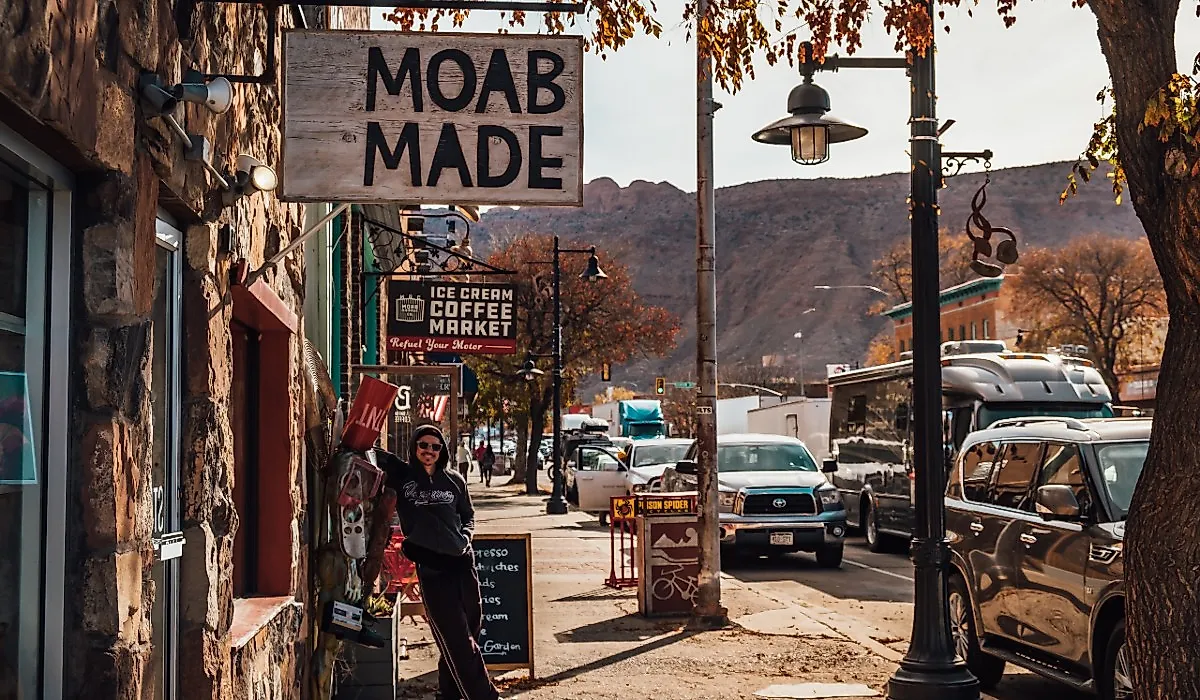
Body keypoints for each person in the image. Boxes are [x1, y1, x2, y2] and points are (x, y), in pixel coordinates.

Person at [379, 425, 500, 700]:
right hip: (432, 567)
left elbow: (468, 514)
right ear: (414, 447)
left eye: (435, 447)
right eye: (423, 445)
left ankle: (449, 693)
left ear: (442, 450)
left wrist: (466, 537)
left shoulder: (455, 480)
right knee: (457, 639)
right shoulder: (405, 479)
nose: (429, 451)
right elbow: (378, 458)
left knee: (471, 628)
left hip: (461, 562)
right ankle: (485, 696)